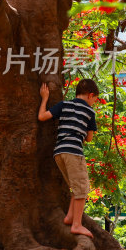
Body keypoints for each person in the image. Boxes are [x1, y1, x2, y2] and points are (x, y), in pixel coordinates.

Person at [38, 78, 99, 238]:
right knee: (82, 188)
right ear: (90, 95)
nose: (94, 103)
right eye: (95, 99)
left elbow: (42, 116)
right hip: (74, 152)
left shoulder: (64, 105)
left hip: (59, 152)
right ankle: (77, 225)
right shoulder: (89, 112)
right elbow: (89, 138)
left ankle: (70, 217)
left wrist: (44, 98)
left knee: (75, 186)